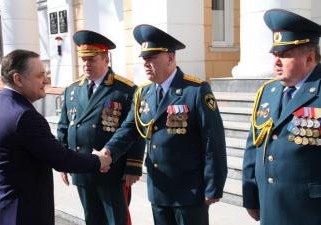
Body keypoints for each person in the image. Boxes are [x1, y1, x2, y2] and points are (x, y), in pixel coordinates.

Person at [101, 24, 227, 225]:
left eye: (152, 58)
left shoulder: (195, 91)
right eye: (144, 59)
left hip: (190, 192)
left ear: (170, 57)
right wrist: (108, 151)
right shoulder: (144, 93)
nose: (146, 63)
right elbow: (129, 128)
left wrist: (213, 186)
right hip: (159, 190)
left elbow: (214, 142)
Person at [0, 49, 111, 225]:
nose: (46, 80)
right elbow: (61, 159)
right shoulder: (24, 116)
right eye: (39, 76)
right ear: (18, 79)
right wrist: (98, 160)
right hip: (21, 214)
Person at [57, 30, 145, 225]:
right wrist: (62, 160)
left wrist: (134, 166)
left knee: (116, 220)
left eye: (91, 59)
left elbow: (135, 130)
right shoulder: (73, 90)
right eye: (83, 60)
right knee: (92, 219)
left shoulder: (125, 90)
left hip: (111, 172)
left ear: (106, 59)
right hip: (81, 167)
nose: (86, 65)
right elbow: (64, 126)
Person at [242, 9, 321, 225]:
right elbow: (254, 146)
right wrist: (250, 195)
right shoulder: (268, 92)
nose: (276, 61)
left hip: (310, 212)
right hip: (271, 207)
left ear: (310, 57)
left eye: (285, 54)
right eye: (275, 54)